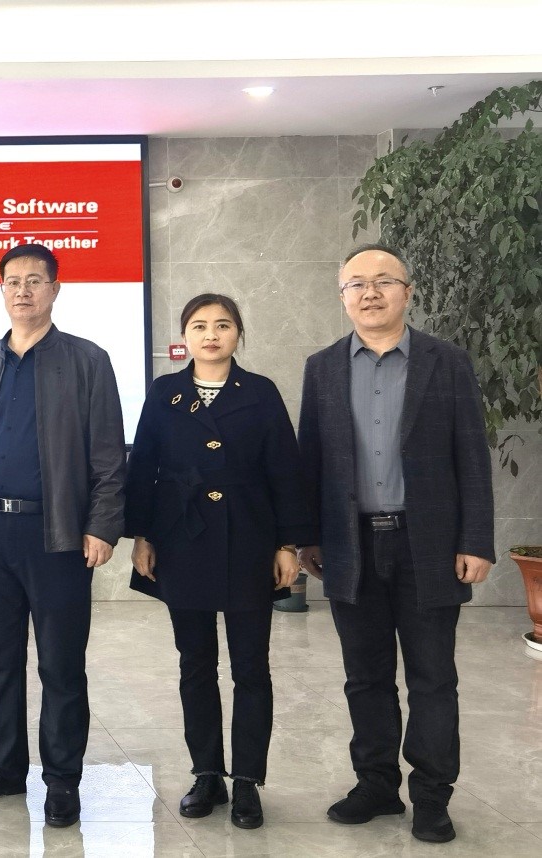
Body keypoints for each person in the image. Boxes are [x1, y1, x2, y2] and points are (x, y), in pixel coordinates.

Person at [298, 244, 495, 844]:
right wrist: (308, 537)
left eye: (384, 281)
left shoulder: (447, 362)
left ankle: (432, 796)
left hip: (428, 544)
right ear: (342, 297)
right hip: (350, 544)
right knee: (365, 676)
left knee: (433, 678)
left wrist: (476, 539)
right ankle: (377, 785)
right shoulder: (322, 367)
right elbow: (311, 458)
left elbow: (472, 456)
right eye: (356, 283)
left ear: (407, 292)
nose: (370, 292)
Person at [0, 243, 126, 828]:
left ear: (55, 289)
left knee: (61, 665)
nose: (23, 290)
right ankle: (2, 766)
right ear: (1, 289)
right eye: (13, 281)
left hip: (58, 535)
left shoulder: (87, 360)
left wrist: (102, 524)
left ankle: (63, 779)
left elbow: (109, 454)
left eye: (35, 280)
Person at [124, 294, 315, 829]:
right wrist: (141, 535)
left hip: (251, 539)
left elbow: (286, 470)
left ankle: (248, 780)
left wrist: (287, 544)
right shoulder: (165, 392)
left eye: (223, 325)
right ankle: (206, 773)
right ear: (185, 335)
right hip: (181, 538)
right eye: (200, 325)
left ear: (238, 333)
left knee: (251, 666)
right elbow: (143, 466)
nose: (211, 335)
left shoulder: (260, 392)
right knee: (195, 663)